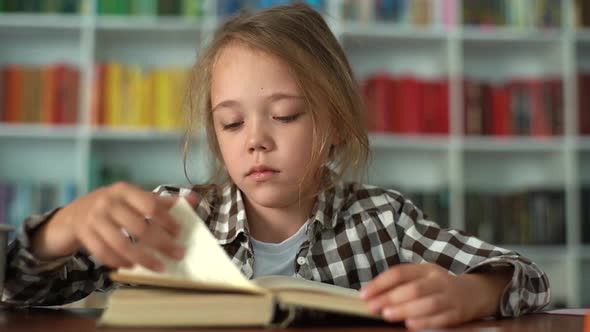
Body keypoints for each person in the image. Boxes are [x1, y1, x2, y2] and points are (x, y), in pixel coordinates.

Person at [2, 3, 549, 330]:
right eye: (232, 124)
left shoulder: (383, 219)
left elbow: (526, 277)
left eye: (285, 116)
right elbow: (19, 288)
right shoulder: (169, 219)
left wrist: (469, 294)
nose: (256, 142)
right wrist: (61, 229)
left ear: (334, 124)